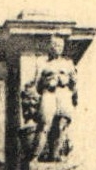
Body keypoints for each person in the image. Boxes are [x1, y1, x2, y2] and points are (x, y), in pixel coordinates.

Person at [31, 33, 77, 162]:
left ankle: (55, 155)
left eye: (60, 45)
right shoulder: (43, 63)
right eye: (55, 45)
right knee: (44, 124)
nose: (58, 47)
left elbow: (74, 85)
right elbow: (37, 85)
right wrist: (48, 82)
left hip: (63, 94)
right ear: (50, 47)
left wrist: (67, 80)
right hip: (49, 94)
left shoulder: (68, 63)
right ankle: (35, 155)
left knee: (61, 125)